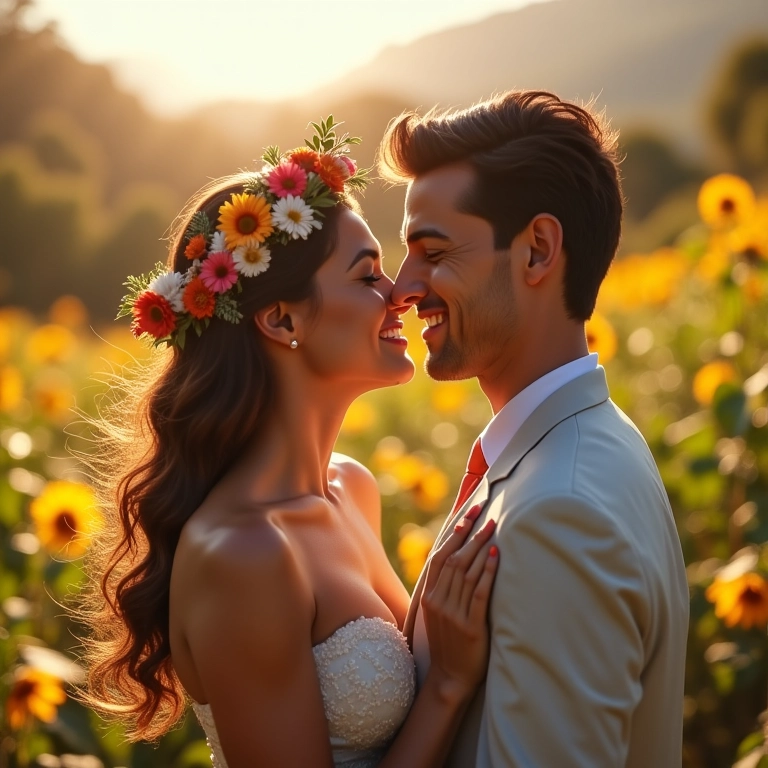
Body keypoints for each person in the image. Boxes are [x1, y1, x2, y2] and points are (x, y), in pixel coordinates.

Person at [79, 119, 499, 768]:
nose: (401, 296)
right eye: (367, 277)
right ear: (281, 318)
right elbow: (437, 682)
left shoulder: (353, 489)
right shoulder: (242, 554)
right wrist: (446, 686)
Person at [378, 90, 690, 767]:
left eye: (432, 251)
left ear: (537, 251)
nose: (402, 286)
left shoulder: (562, 511)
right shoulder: (594, 443)